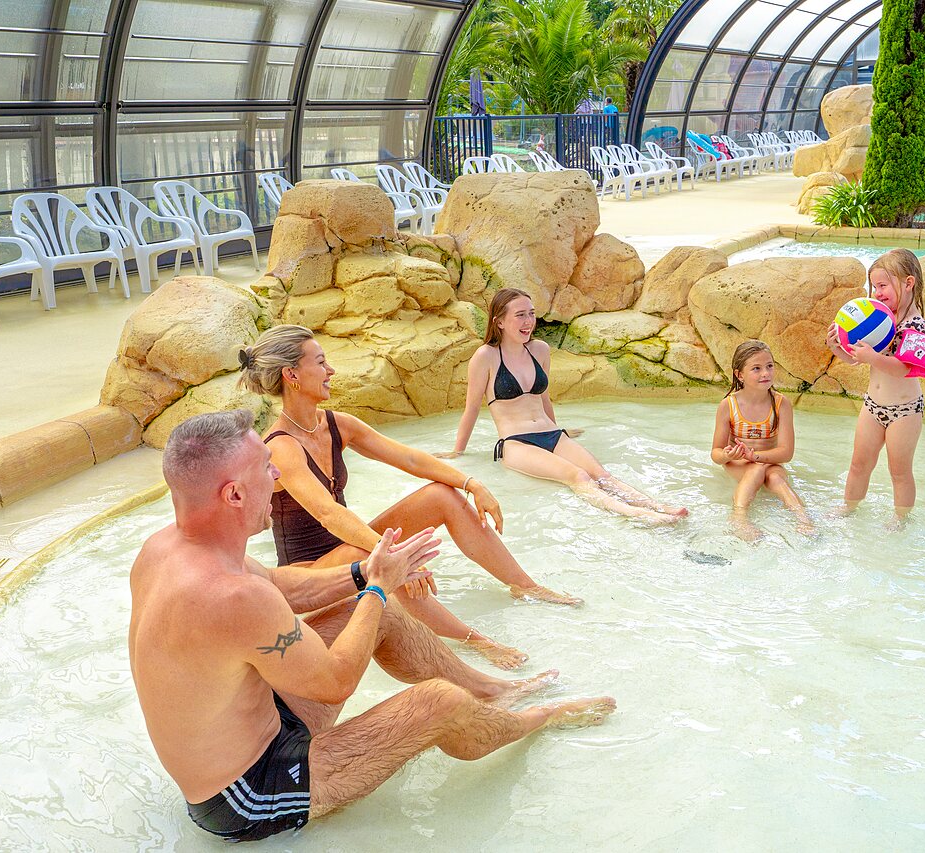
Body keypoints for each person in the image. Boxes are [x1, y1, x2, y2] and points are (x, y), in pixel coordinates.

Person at [130, 410, 614, 843]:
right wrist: (379, 589)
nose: (276, 474)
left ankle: (491, 692)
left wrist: (367, 572)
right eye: (265, 467)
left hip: (263, 724)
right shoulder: (231, 596)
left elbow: (284, 585)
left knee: (374, 609)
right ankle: (536, 721)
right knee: (437, 703)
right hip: (249, 795)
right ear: (234, 493)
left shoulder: (165, 548)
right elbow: (335, 681)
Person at [239, 325, 579, 673]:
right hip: (310, 578)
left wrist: (471, 482)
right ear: (292, 375)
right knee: (373, 551)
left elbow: (411, 460)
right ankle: (475, 640)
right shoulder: (280, 446)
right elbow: (327, 514)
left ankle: (524, 586)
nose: (331, 371)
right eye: (322, 362)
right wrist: (394, 558)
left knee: (440, 495)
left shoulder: (336, 424)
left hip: (349, 553)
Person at [438, 288, 688, 524]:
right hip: (517, 442)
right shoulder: (486, 356)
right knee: (578, 476)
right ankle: (637, 515)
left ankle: (657, 506)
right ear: (499, 321)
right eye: (520, 315)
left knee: (601, 475)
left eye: (532, 314)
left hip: (552, 435)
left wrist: (561, 431)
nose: (528, 321)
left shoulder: (539, 350)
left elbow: (543, 399)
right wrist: (457, 452)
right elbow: (471, 408)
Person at [826, 248, 925, 522]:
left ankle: (901, 519)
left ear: (908, 283)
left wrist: (872, 357)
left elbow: (905, 369)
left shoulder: (915, 326)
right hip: (872, 407)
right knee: (859, 464)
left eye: (883, 285)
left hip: (905, 412)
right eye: (874, 286)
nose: (877, 292)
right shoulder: (878, 319)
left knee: (899, 471)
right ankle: (849, 508)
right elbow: (854, 360)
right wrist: (837, 348)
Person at [710, 340, 814, 541]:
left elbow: (786, 452)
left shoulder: (781, 404)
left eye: (769, 366)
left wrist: (756, 455)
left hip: (769, 462)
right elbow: (715, 453)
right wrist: (727, 454)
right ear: (739, 375)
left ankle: (803, 518)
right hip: (739, 463)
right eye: (756, 369)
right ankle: (739, 517)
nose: (765, 373)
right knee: (756, 468)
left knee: (775, 477)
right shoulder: (728, 405)